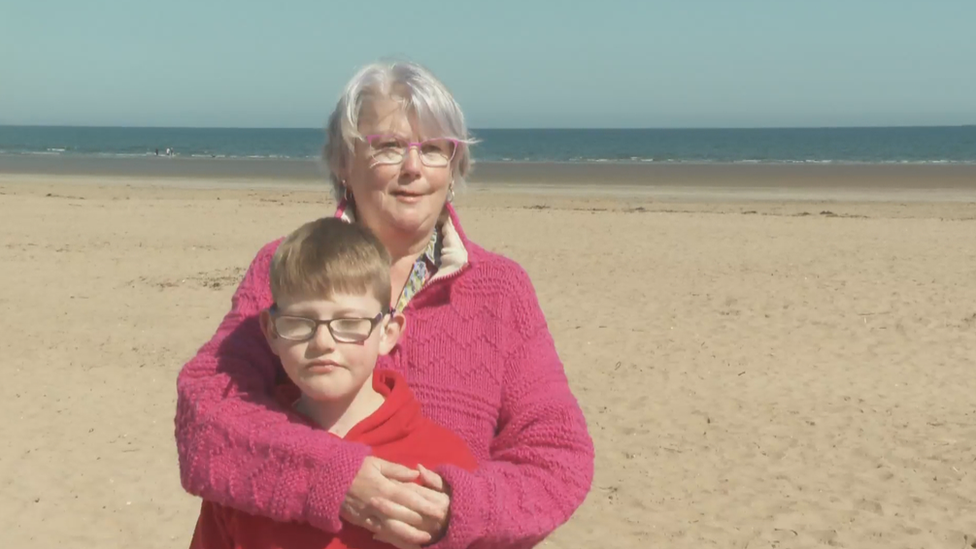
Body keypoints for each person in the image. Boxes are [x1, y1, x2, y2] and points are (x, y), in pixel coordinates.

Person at [175, 60, 594, 549]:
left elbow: (558, 458)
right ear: (342, 164)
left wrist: (455, 509)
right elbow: (205, 415)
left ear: (454, 169)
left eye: (435, 149)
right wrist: (331, 479)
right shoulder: (285, 268)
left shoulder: (501, 289)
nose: (413, 167)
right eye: (389, 146)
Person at [189, 217, 477, 549]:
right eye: (301, 322)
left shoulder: (441, 462)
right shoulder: (246, 463)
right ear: (271, 330)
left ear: (387, 333)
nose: (323, 342)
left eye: (349, 323)